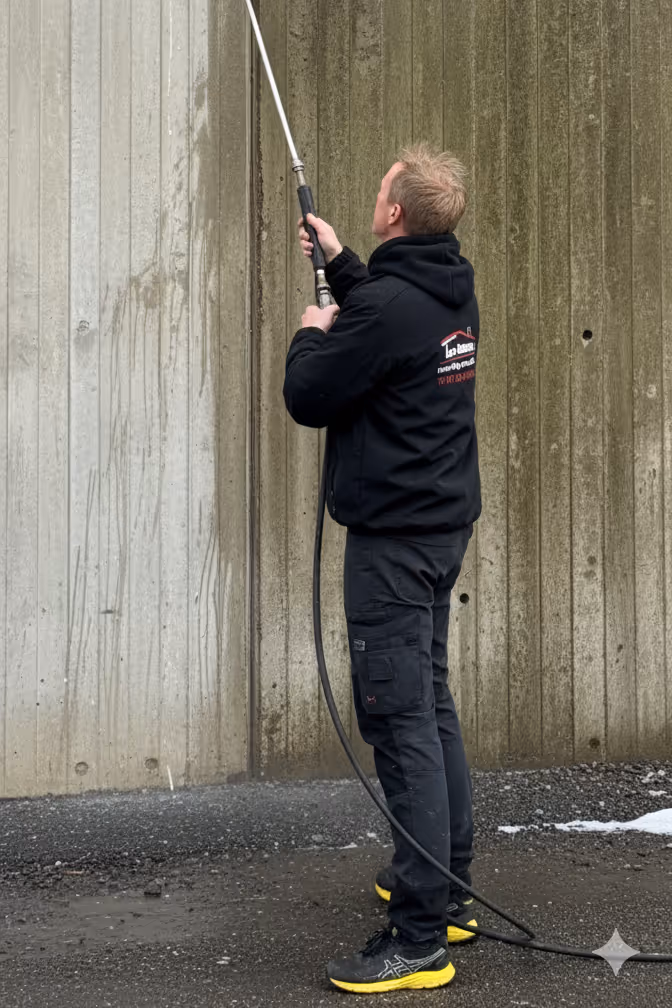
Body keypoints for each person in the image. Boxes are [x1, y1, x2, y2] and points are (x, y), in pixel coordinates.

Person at [283, 143, 482, 994]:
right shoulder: (448, 286)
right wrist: (340, 262)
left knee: (400, 724)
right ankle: (449, 888)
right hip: (440, 530)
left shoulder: (388, 311)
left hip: (394, 546)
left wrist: (309, 328)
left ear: (396, 210)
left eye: (381, 190)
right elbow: (389, 318)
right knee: (427, 705)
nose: (375, 194)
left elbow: (310, 395)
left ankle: (419, 938)